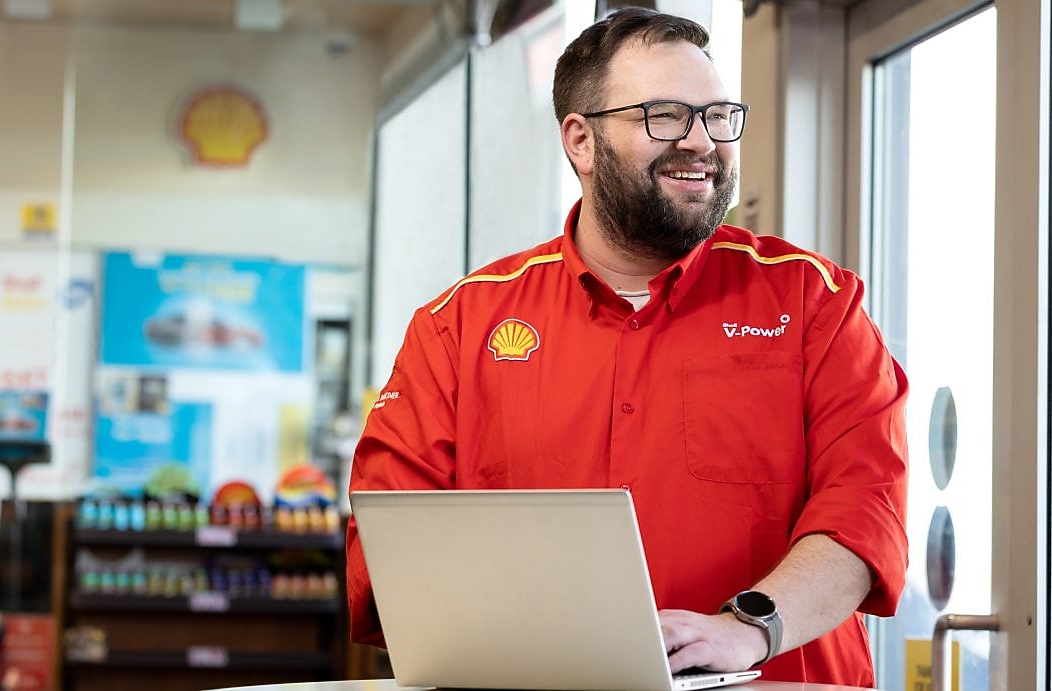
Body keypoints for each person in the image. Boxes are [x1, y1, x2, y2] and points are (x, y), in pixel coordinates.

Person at [345, 7, 908, 688]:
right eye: (664, 116)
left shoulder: (816, 303)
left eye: (717, 116)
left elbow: (866, 508)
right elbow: (388, 545)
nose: (701, 142)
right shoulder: (459, 325)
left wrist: (750, 628)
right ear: (580, 141)